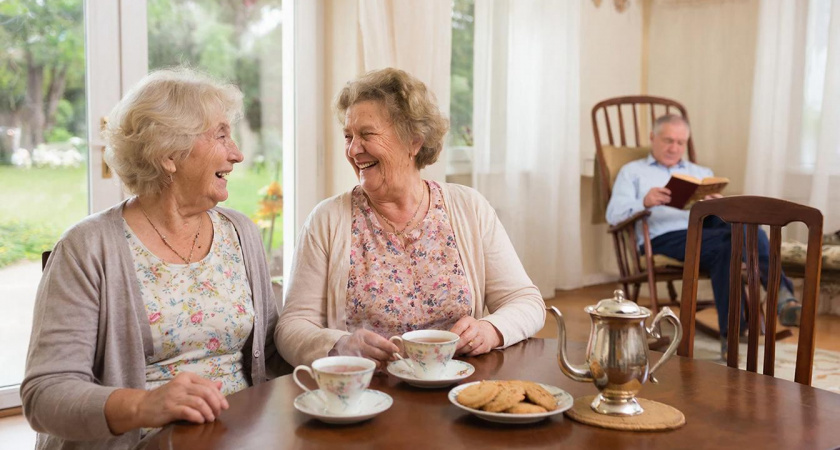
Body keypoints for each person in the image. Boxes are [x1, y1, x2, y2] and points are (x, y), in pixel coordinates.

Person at [21, 67, 285, 449]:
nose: (237, 154)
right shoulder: (87, 247)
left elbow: (273, 350)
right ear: (169, 155)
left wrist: (334, 352)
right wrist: (146, 405)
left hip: (239, 436)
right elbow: (45, 394)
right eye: (221, 135)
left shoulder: (241, 233)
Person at [276, 68, 545, 368]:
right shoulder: (326, 221)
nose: (353, 150)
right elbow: (291, 327)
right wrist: (340, 344)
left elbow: (527, 301)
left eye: (367, 135)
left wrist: (490, 330)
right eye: (348, 136)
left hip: (456, 386)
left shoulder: (469, 208)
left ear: (414, 142)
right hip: (369, 394)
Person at [606, 114, 802, 356]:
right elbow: (613, 215)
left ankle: (774, 304)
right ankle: (768, 307)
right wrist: (644, 201)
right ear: (652, 138)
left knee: (747, 228)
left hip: (707, 229)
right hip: (665, 237)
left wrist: (720, 206)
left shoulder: (699, 171)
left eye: (680, 142)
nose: (674, 147)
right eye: (668, 140)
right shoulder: (633, 172)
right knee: (728, 247)